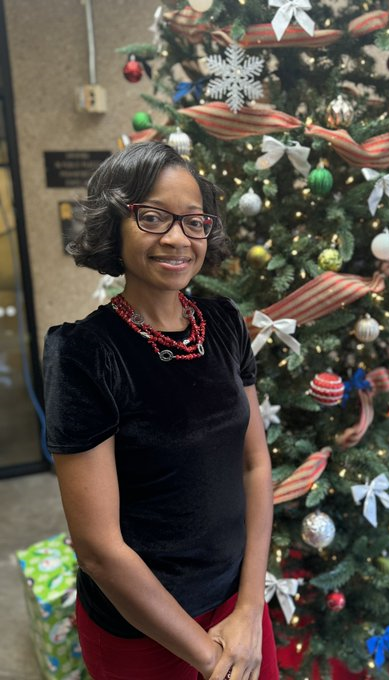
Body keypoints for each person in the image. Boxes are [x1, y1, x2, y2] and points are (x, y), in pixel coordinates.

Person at [43, 141, 279, 680]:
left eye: (193, 221)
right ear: (114, 225)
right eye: (152, 217)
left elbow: (255, 465)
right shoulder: (85, 353)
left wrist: (248, 609)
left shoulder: (222, 322)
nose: (177, 238)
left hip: (237, 606)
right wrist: (209, 658)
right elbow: (98, 549)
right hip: (146, 626)